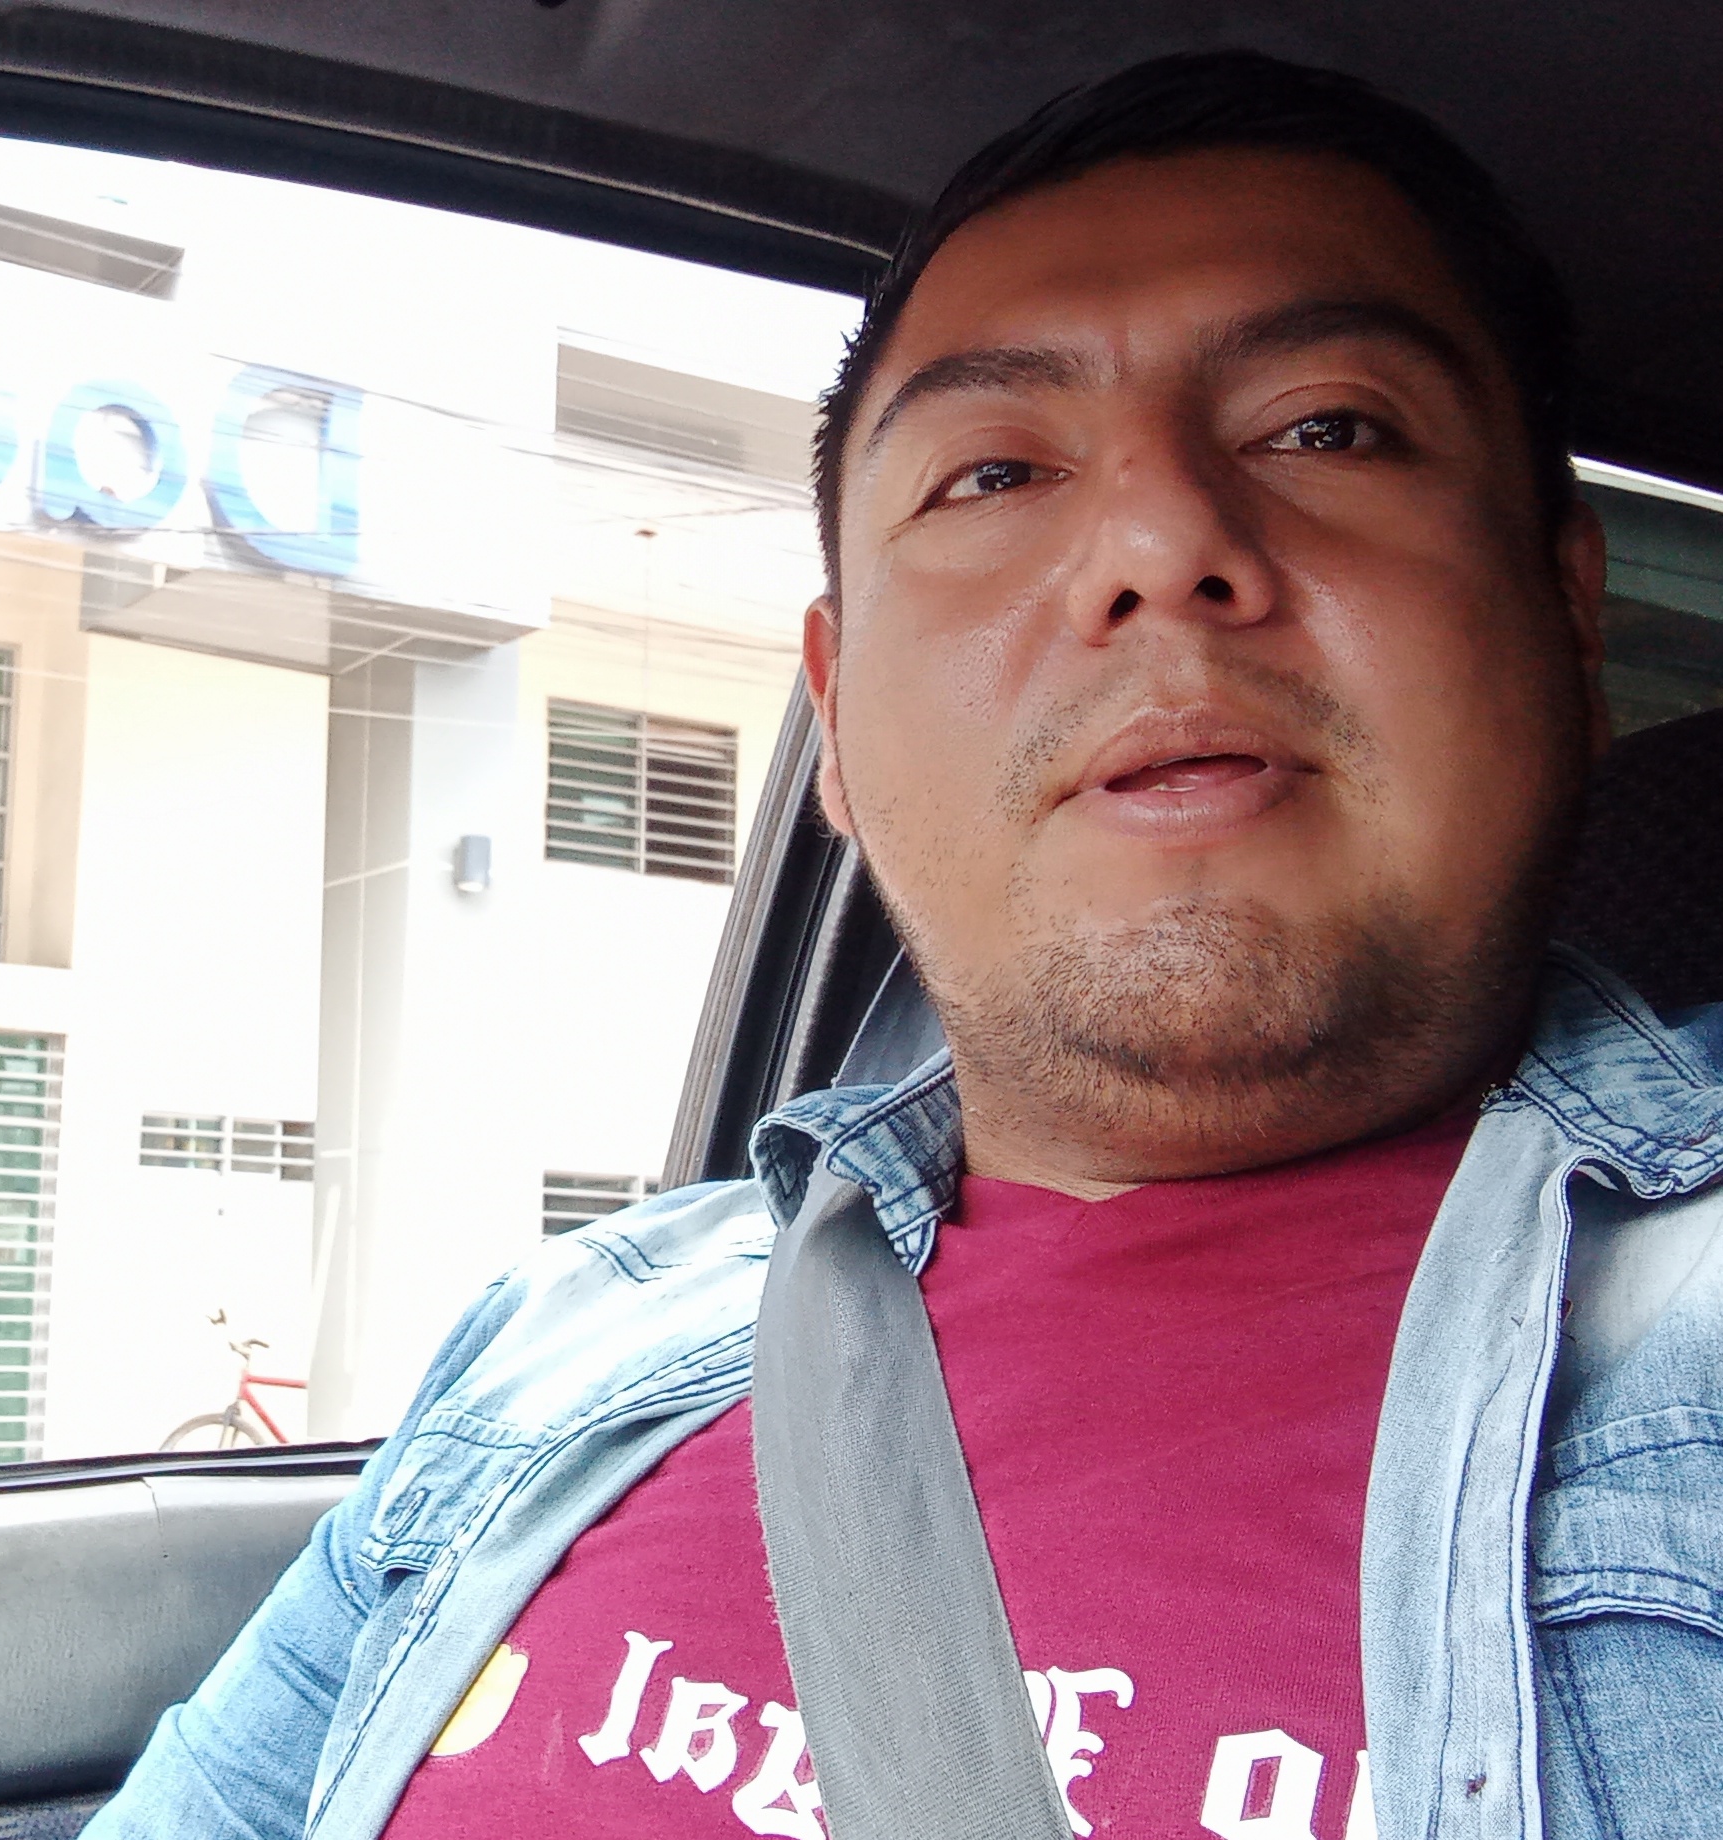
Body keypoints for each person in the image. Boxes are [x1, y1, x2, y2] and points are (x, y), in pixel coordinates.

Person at [85, 50, 1721, 1840]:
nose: (1160, 540)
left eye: (1324, 428)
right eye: (992, 471)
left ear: (1567, 614)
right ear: (837, 719)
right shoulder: (560, 1350)